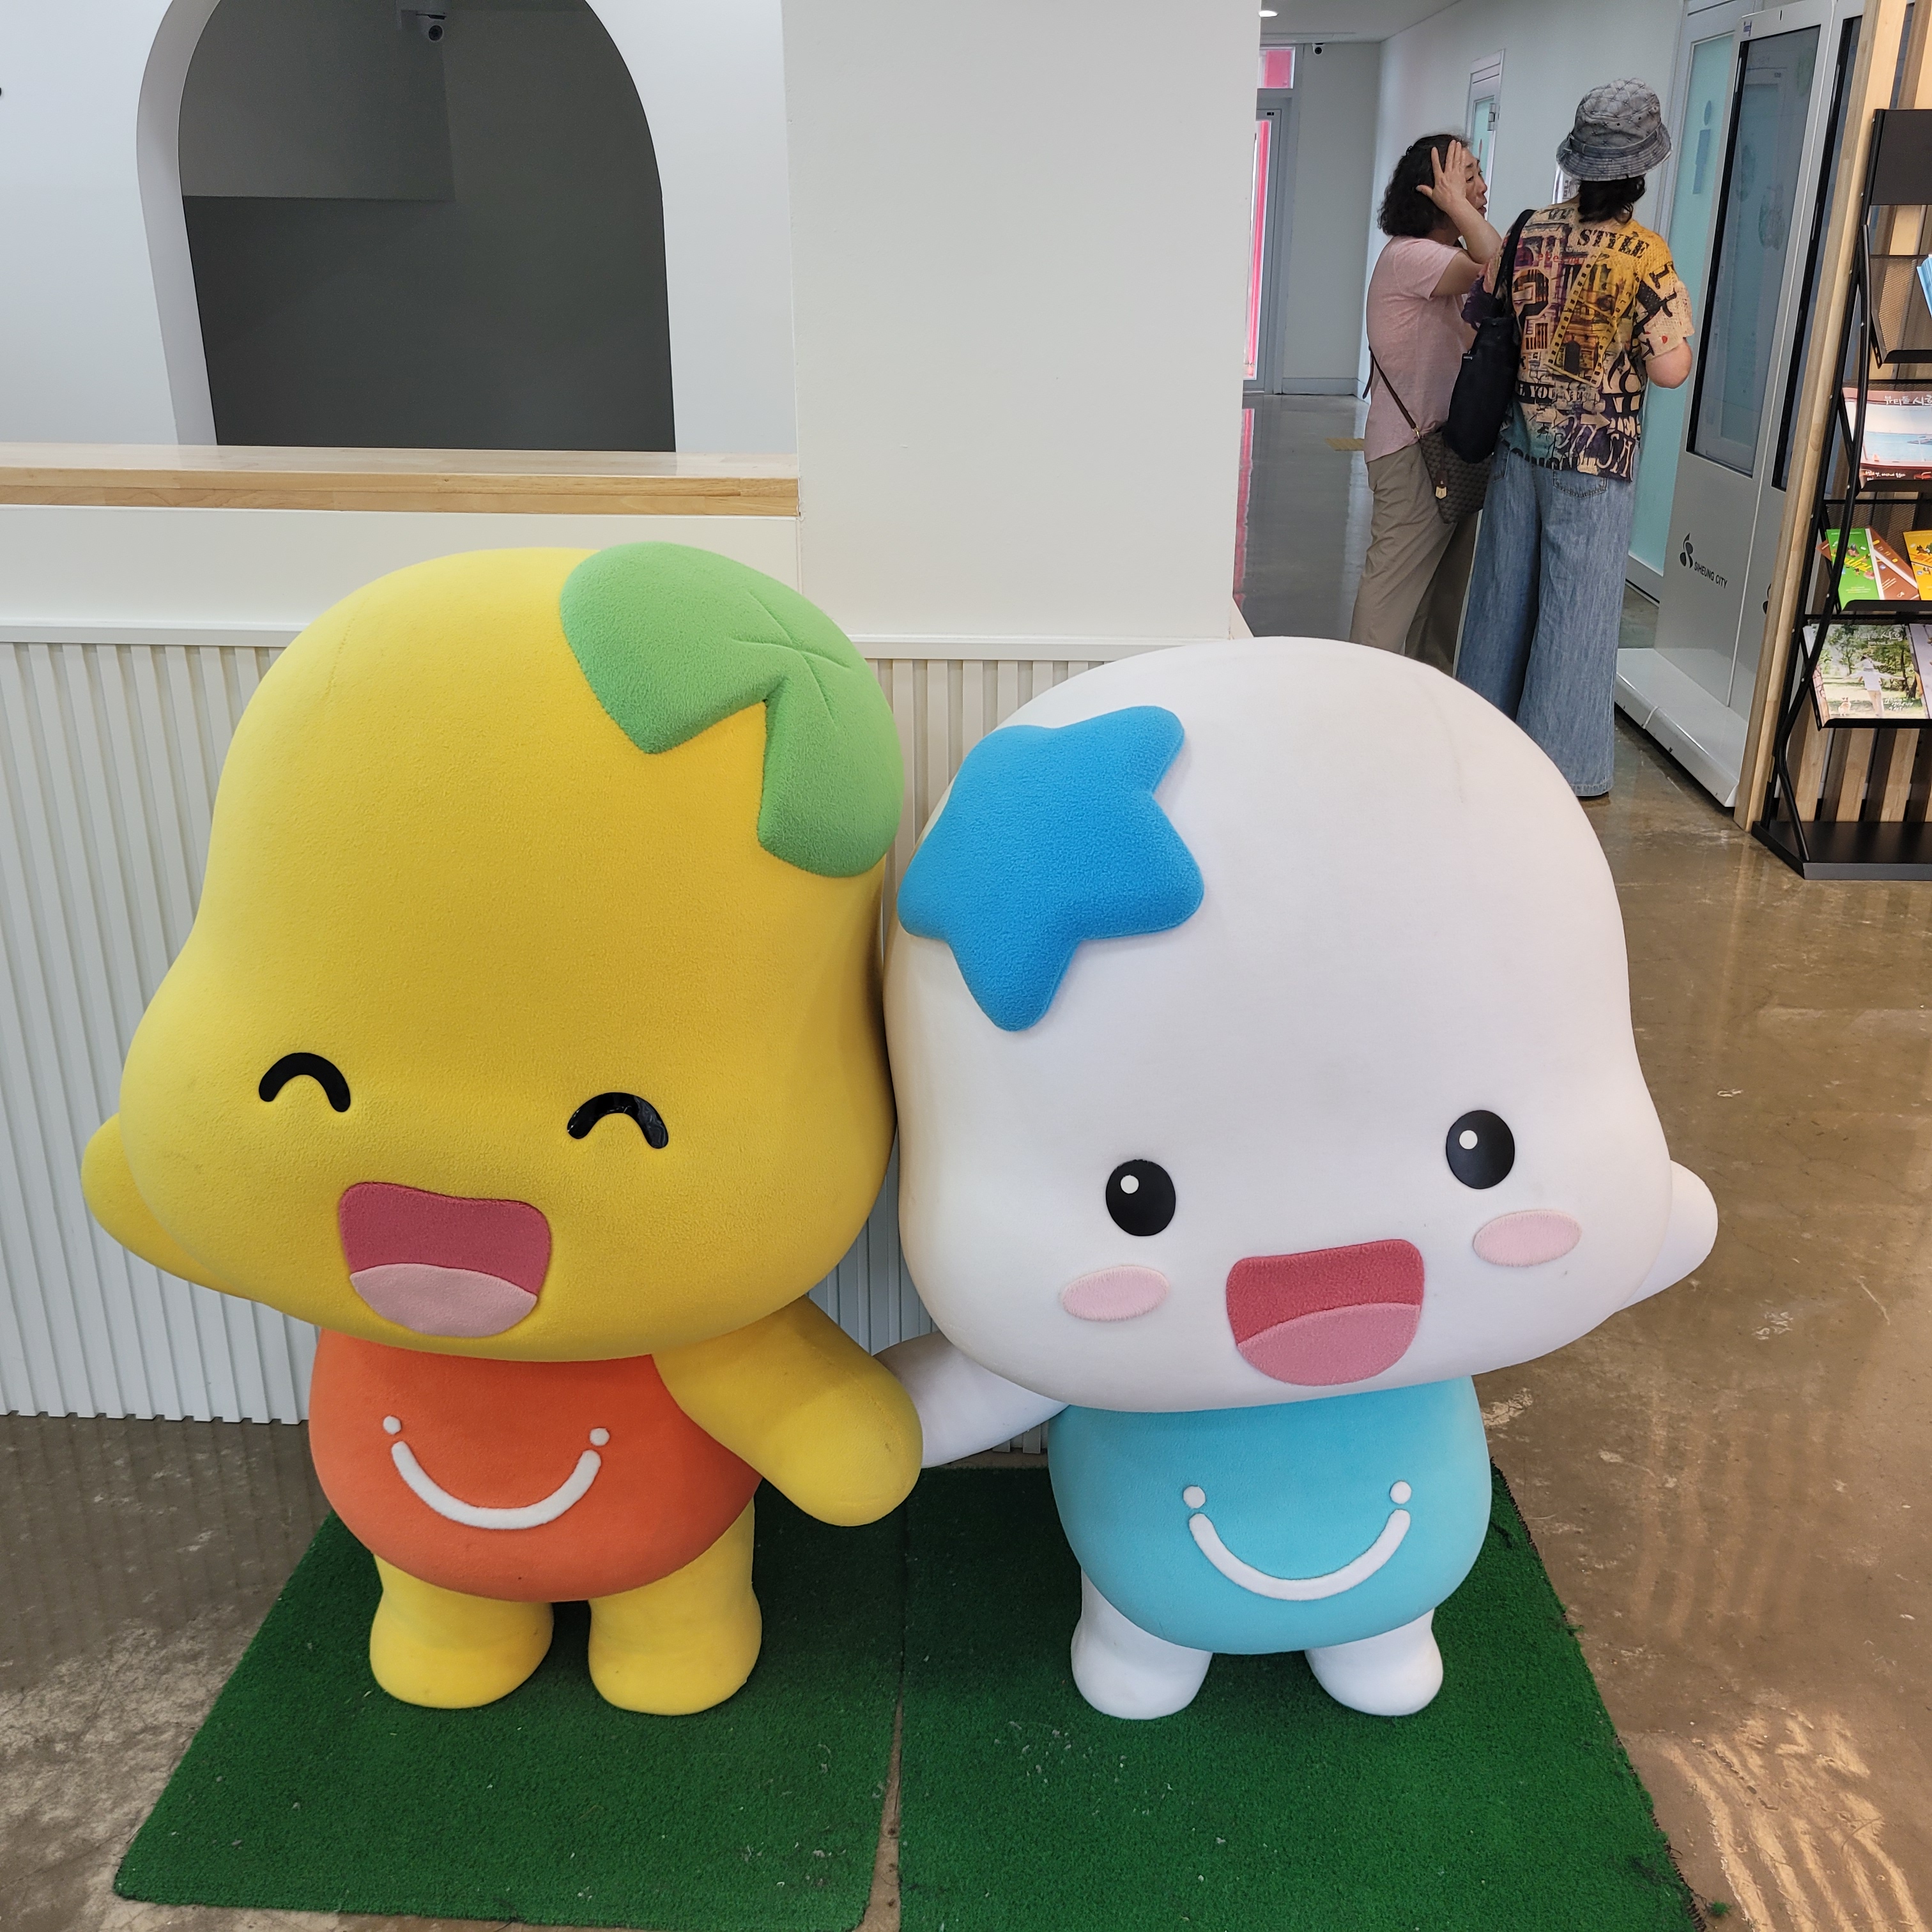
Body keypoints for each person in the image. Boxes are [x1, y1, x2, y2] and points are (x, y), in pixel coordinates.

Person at [1455, 81, 1694, 797]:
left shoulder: (1529, 231)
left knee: (1500, 600)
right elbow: (1671, 369)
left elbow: (1479, 321)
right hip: (1597, 459)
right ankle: (1560, 768)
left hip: (1519, 446)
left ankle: (1479, 740)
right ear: (1640, 172)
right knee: (1576, 613)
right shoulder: (1644, 254)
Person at [1349, 135, 1501, 675]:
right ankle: (1359, 696)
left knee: (1439, 604)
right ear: (1433, 191)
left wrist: (1460, 206)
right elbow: (1499, 265)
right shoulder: (1412, 257)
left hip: (1446, 450)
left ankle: (1422, 702)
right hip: (1413, 455)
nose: (1482, 188)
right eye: (1468, 177)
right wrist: (1460, 206)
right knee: (1391, 597)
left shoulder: (1440, 260)